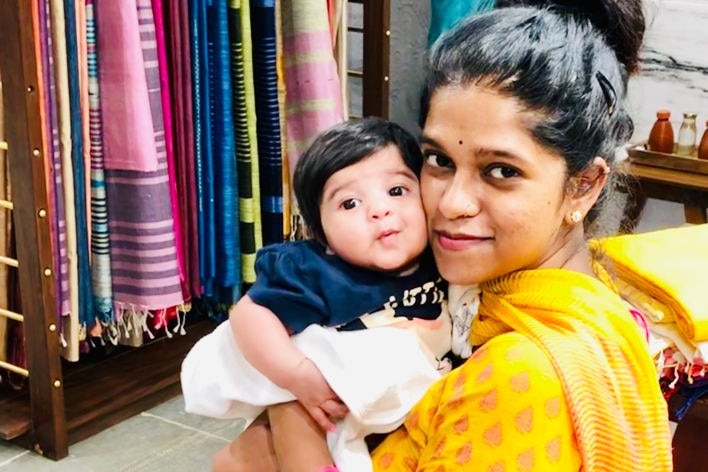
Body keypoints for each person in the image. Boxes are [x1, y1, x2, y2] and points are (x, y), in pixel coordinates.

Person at [211, 0, 674, 470]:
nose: (451, 203)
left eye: (501, 170)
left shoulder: (519, 373)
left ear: (583, 186)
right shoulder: (485, 295)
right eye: (438, 160)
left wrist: (282, 429)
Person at [181, 117, 477, 471]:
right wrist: (297, 374)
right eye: (350, 203)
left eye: (396, 191)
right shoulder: (316, 272)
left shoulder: (440, 255)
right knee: (293, 406)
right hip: (321, 406)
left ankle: (242, 458)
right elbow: (249, 315)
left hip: (390, 402)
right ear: (322, 234)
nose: (379, 210)